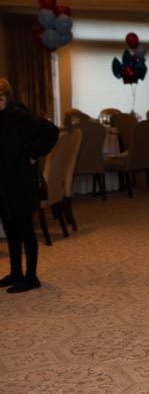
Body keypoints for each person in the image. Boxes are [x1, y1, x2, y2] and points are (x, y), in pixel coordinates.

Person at [0, 78, 59, 293]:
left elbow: (51, 131)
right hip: (4, 183)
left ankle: (31, 277)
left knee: (25, 230)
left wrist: (34, 154)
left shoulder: (18, 115)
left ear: (4, 98)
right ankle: (16, 272)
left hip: (20, 182)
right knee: (11, 229)